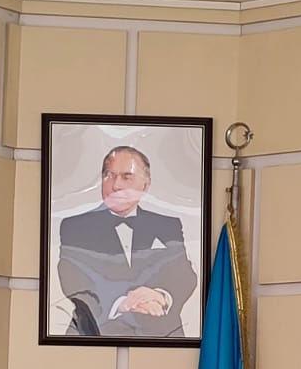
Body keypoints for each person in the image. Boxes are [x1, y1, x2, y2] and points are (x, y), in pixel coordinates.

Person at [56, 145, 198, 338]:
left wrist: (159, 295)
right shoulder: (74, 226)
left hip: (163, 334)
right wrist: (122, 302)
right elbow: (73, 279)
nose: (116, 185)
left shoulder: (168, 225)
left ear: (145, 185)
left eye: (126, 177)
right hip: (94, 334)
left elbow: (183, 273)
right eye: (109, 176)